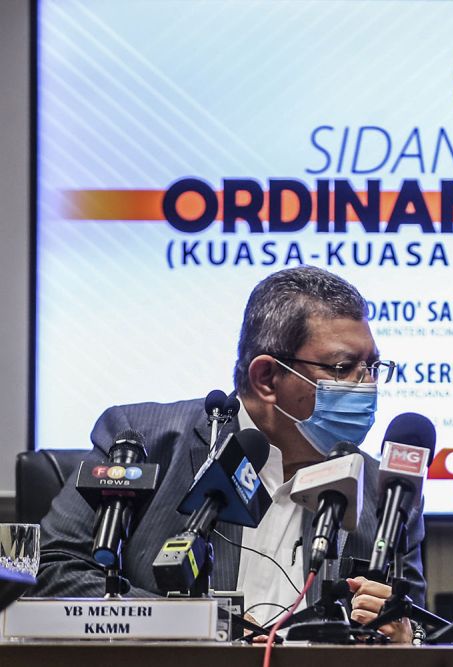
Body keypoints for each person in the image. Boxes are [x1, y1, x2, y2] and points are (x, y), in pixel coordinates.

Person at [34, 266, 423, 643]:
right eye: (343, 368)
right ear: (266, 377)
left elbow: (417, 623)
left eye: (372, 366)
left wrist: (403, 637)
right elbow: (51, 572)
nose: (367, 384)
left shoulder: (388, 493)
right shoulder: (146, 441)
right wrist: (194, 627)